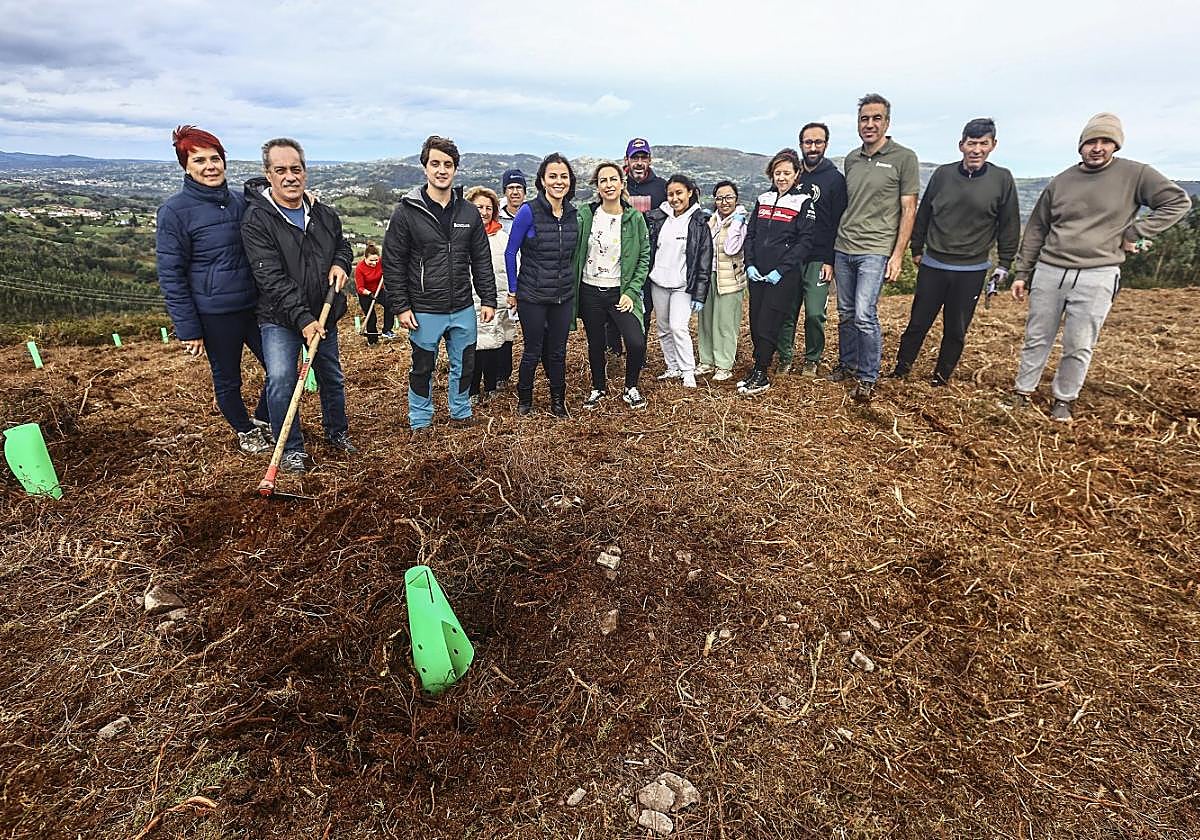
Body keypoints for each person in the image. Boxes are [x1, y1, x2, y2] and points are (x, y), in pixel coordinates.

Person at [1005, 113, 1189, 421]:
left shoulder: (1136, 174)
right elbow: (1037, 228)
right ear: (1081, 145)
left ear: (1116, 145)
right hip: (1051, 269)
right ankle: (1022, 393)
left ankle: (1064, 399)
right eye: (1091, 141)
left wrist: (1137, 231)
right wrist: (1023, 272)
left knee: (1079, 342)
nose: (1098, 148)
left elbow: (1178, 202)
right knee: (1037, 336)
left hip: (1097, 273)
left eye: (1106, 141)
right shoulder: (1062, 180)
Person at [156, 125, 273, 455]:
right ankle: (244, 429)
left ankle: (263, 419)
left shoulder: (241, 202)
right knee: (228, 378)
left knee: (280, 368)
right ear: (186, 166)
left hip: (255, 305)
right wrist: (189, 329)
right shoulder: (174, 212)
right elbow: (171, 275)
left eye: (215, 158)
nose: (210, 166)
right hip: (215, 313)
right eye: (200, 160)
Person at [241, 137, 355, 473]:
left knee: (331, 376)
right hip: (279, 318)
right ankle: (290, 448)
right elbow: (271, 279)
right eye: (281, 170)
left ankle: (337, 431)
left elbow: (342, 246)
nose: (290, 176)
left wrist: (341, 264)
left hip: (325, 310)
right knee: (280, 378)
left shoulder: (322, 213)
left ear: (304, 171)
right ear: (268, 174)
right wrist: (303, 319)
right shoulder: (257, 221)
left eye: (296, 169)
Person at [889, 118, 1020, 386]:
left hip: (971, 269)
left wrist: (1005, 263)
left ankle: (940, 379)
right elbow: (924, 212)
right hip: (934, 263)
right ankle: (900, 371)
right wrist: (917, 247)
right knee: (918, 323)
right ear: (961, 145)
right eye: (971, 143)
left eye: (983, 144)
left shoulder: (1002, 179)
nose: (976, 150)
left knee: (956, 329)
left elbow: (1009, 224)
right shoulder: (943, 175)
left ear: (993, 145)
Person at [383, 135, 497, 432]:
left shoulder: (468, 213)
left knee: (465, 365)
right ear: (425, 168)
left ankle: (460, 412)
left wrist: (488, 299)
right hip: (423, 308)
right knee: (423, 367)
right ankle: (420, 420)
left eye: (448, 164)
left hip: (462, 306)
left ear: (455, 169)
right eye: (435, 164)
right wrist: (401, 306)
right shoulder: (407, 212)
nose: (441, 170)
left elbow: (481, 259)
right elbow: (393, 263)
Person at [832, 93, 920, 402]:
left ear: (887, 122)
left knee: (864, 313)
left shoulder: (903, 158)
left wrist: (897, 255)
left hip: (876, 248)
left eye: (876, 118)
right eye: (864, 119)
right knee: (844, 312)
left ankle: (868, 375)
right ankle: (847, 363)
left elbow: (909, 209)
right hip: (844, 245)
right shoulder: (852, 159)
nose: (870, 124)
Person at [504, 152, 579, 418]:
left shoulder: (572, 214)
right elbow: (510, 252)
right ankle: (525, 401)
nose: (559, 182)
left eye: (563, 176)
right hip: (532, 295)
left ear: (570, 181)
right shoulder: (528, 211)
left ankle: (558, 403)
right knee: (533, 351)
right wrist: (513, 290)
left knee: (558, 352)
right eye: (553, 176)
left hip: (562, 295)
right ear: (543, 181)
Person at [572, 162, 651, 410]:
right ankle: (598, 388)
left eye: (613, 179)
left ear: (621, 183)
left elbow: (644, 256)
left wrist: (631, 291)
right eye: (603, 180)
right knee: (595, 342)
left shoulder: (633, 217)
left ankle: (631, 387)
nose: (608, 184)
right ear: (597, 186)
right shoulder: (586, 215)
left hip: (620, 292)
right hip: (590, 289)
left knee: (636, 341)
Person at [739, 149, 818, 395]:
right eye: (777, 173)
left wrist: (781, 270)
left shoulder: (803, 202)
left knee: (769, 323)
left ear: (796, 175)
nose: (781, 177)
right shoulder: (763, 199)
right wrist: (749, 264)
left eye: (786, 173)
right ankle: (757, 367)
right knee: (755, 321)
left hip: (782, 276)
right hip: (757, 272)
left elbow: (805, 242)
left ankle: (762, 372)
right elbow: (751, 235)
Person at [776, 122, 848, 377]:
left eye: (818, 142)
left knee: (815, 313)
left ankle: (812, 358)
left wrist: (830, 259)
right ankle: (784, 356)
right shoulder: (794, 176)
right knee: (787, 311)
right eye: (808, 142)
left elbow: (837, 221)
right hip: (791, 256)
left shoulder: (835, 179)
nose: (813, 147)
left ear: (826, 144)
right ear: (801, 145)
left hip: (819, 257)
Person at [646, 174, 712, 389]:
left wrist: (700, 294)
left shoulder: (699, 222)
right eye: (670, 194)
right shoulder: (658, 218)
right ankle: (672, 366)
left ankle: (687, 371)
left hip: (683, 285)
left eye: (679, 193)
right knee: (663, 327)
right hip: (659, 282)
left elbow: (704, 259)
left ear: (690, 192)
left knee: (678, 327)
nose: (675, 198)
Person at [464, 186, 515, 403]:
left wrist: (512, 293)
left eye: (488, 208)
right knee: (474, 346)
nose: (483, 212)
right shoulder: (462, 237)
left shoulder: (502, 237)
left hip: (498, 299)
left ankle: (492, 385)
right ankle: (473, 389)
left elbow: (513, 265)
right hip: (470, 299)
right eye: (478, 207)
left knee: (495, 343)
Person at [699, 180, 748, 382]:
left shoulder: (741, 221)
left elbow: (730, 248)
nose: (724, 202)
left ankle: (724, 364)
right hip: (710, 276)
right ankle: (706, 360)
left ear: (736, 199)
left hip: (730, 278)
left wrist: (736, 222)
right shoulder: (711, 220)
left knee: (725, 323)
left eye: (728, 197)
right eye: (719, 198)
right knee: (706, 320)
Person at [354, 243, 392, 345]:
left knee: (390, 304)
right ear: (365, 258)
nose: (374, 263)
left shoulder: (381, 263)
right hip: (366, 294)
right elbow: (360, 288)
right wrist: (369, 294)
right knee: (371, 318)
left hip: (379, 290)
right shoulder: (360, 268)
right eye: (371, 260)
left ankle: (387, 330)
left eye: (376, 260)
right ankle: (372, 341)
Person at [498, 168, 527, 233]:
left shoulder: (534, 214)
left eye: (519, 187)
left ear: (524, 191)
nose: (515, 192)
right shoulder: (495, 216)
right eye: (511, 188)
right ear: (504, 192)